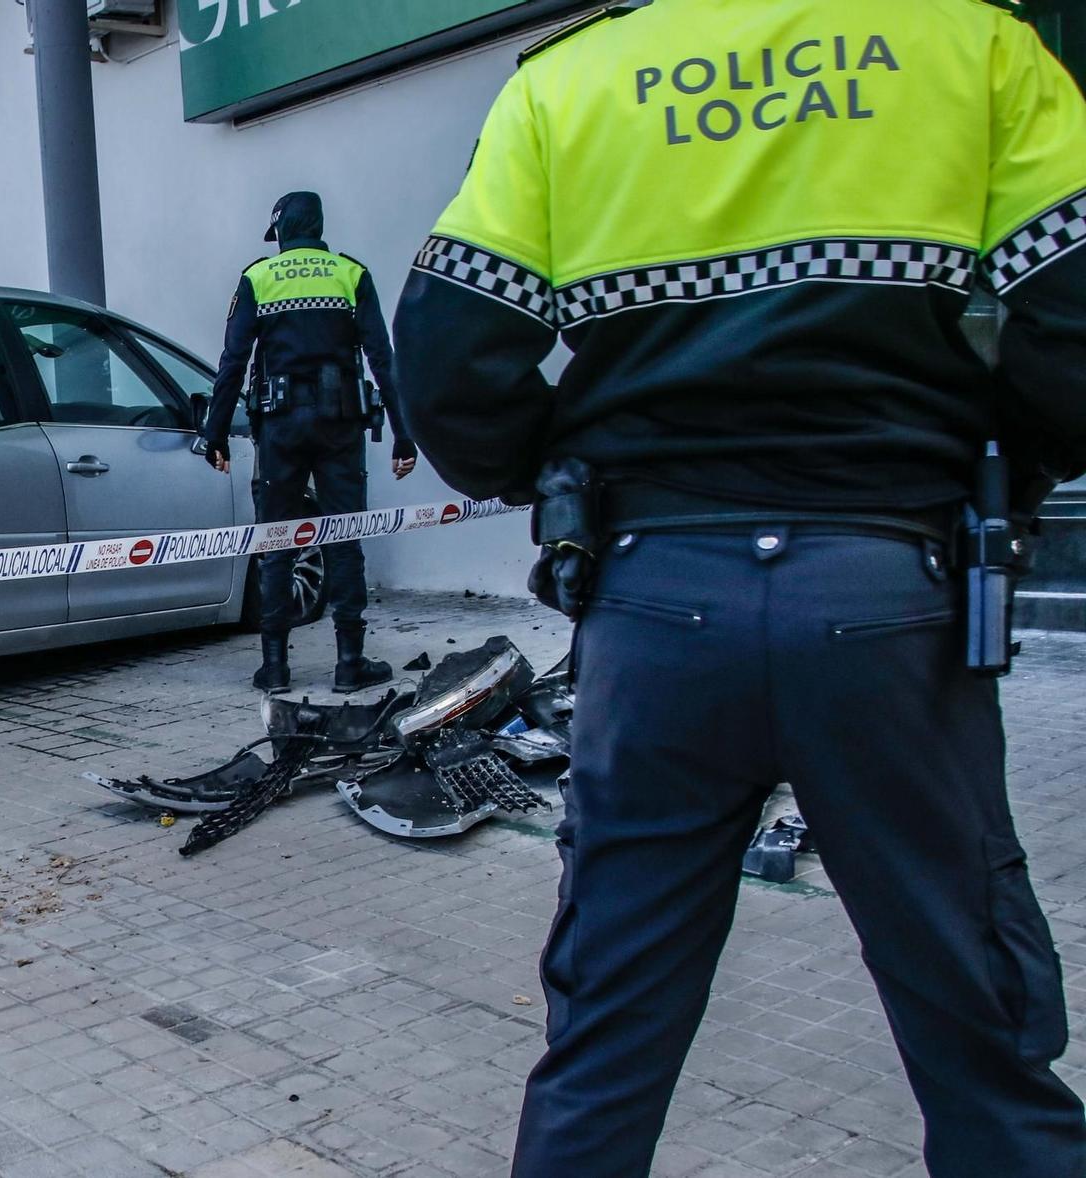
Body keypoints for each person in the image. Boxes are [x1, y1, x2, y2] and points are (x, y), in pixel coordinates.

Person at [394, 2, 1086, 1174]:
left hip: (653, 601)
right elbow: (1070, 318)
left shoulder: (568, 81)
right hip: (889, 600)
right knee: (978, 1022)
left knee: (605, 1029)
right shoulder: (971, 46)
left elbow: (451, 356)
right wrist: (993, 461)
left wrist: (572, 467)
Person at [201, 191, 419, 693]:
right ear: (318, 225)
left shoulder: (259, 277)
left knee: (276, 544)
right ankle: (349, 665)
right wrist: (404, 436)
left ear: (279, 230)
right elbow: (383, 359)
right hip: (340, 425)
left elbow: (232, 362)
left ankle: (275, 668)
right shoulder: (351, 274)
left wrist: (214, 433)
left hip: (278, 429)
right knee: (344, 539)